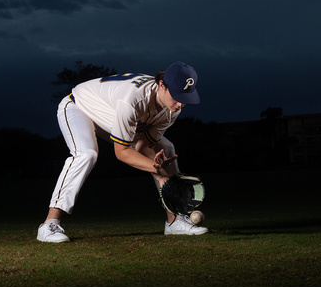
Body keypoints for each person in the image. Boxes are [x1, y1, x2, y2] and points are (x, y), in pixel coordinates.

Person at [37, 61, 209, 242]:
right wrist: (157, 171)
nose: (181, 103)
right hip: (78, 107)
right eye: (177, 95)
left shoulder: (172, 108)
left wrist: (161, 174)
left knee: (166, 148)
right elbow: (122, 152)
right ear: (162, 85)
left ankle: (175, 221)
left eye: (186, 97)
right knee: (87, 154)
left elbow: (143, 147)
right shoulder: (133, 99)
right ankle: (49, 224)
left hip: (110, 116)